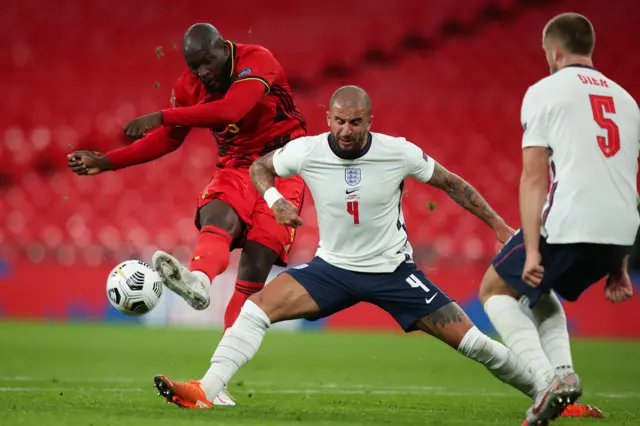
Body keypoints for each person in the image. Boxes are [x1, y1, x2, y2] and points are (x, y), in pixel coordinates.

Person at [151, 84, 546, 409]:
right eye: (339, 121)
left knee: (477, 344)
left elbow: (452, 183)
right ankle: (206, 389)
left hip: (392, 272)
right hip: (332, 271)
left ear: (369, 121)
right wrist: (275, 202)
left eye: (356, 122)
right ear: (329, 119)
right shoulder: (308, 150)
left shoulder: (398, 151)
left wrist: (497, 224)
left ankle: (548, 396)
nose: (346, 130)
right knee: (256, 310)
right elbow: (259, 167)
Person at [68, 23, 307, 405]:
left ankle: (216, 381)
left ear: (223, 49)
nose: (203, 72)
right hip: (235, 167)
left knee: (255, 268)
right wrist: (106, 162)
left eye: (208, 62)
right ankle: (198, 281)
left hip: (284, 166)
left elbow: (232, 109)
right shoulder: (188, 86)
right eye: (195, 67)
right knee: (217, 217)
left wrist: (164, 115)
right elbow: (167, 141)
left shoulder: (257, 60)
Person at [478, 12, 639, 425]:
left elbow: (534, 178)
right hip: (623, 230)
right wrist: (620, 262)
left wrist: (532, 249)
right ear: (591, 49)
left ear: (554, 51)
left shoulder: (544, 91)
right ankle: (563, 374)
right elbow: (625, 178)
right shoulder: (627, 100)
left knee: (495, 289)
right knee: (537, 291)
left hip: (570, 220)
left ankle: (547, 379)